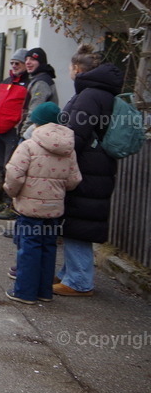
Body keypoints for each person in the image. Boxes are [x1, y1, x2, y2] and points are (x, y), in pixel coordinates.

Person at [55, 46, 124, 297]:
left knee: (78, 222)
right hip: (98, 167)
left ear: (76, 68)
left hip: (87, 167)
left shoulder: (89, 95)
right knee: (79, 220)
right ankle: (68, 273)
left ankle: (79, 281)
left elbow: (76, 136)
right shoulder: (103, 93)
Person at [3, 101, 81, 304]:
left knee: (29, 250)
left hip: (30, 209)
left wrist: (12, 194)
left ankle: (24, 292)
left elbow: (14, 174)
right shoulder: (69, 149)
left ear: (37, 123)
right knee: (49, 248)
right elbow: (74, 180)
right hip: (54, 209)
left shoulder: (28, 146)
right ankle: (43, 291)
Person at [0, 49, 30, 218]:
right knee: (1, 167)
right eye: (12, 63)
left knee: (11, 168)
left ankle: (12, 204)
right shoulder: (6, 81)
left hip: (12, 130)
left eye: (17, 63)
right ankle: (4, 200)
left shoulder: (29, 83)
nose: (14, 66)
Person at [18, 47, 58, 140]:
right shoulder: (37, 79)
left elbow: (34, 111)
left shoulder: (41, 83)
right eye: (26, 59)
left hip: (35, 134)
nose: (28, 62)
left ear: (41, 62)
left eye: (32, 59)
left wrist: (24, 133)